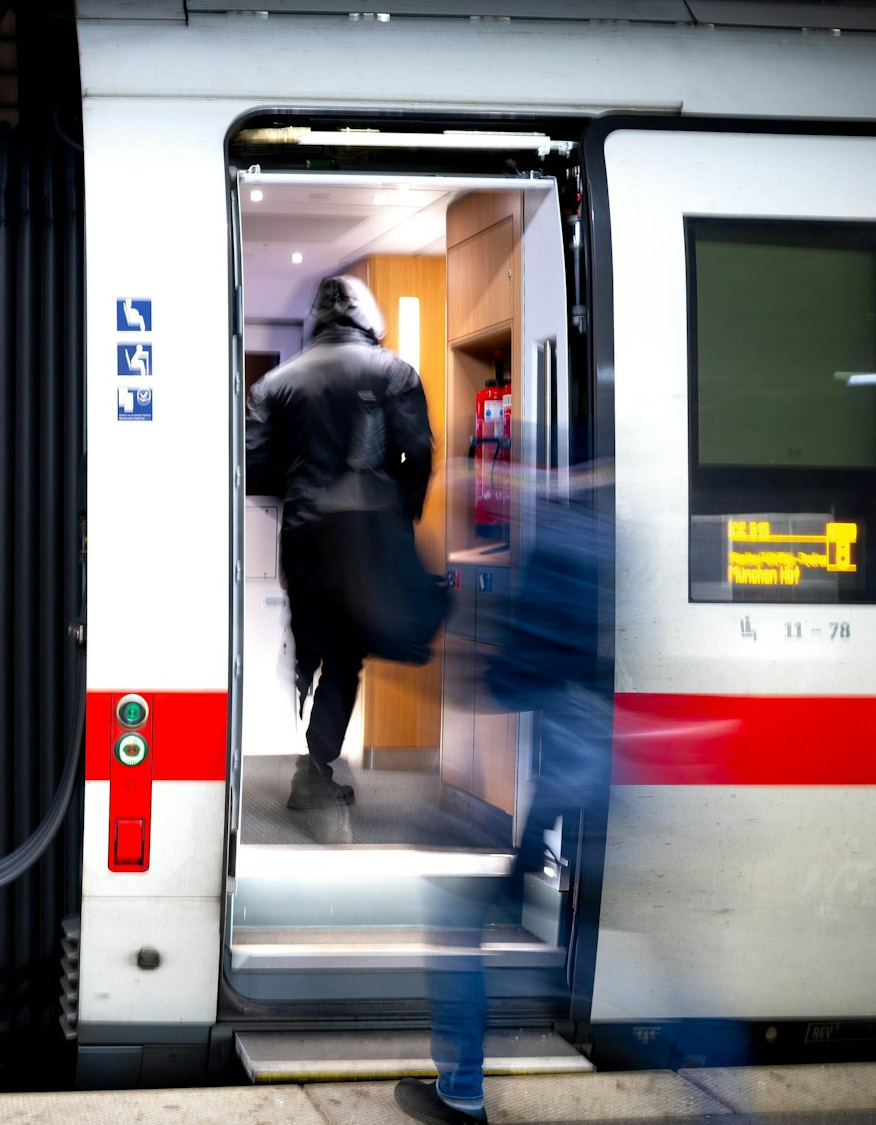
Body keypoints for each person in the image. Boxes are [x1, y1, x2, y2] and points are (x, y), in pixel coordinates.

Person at [394, 476, 613, 1125]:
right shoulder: (595, 525)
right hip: (597, 761)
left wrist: (461, 663)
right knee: (628, 956)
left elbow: (526, 664)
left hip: (580, 765)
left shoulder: (563, 535)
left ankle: (461, 1092)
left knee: (459, 930)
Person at [246, 275, 433, 809]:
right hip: (363, 541)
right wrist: (399, 512)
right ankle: (316, 766)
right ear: (366, 316)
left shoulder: (277, 383)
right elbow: (417, 454)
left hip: (304, 537)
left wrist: (304, 486)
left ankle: (304, 671)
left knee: (313, 635)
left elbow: (254, 464)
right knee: (347, 658)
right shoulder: (394, 373)